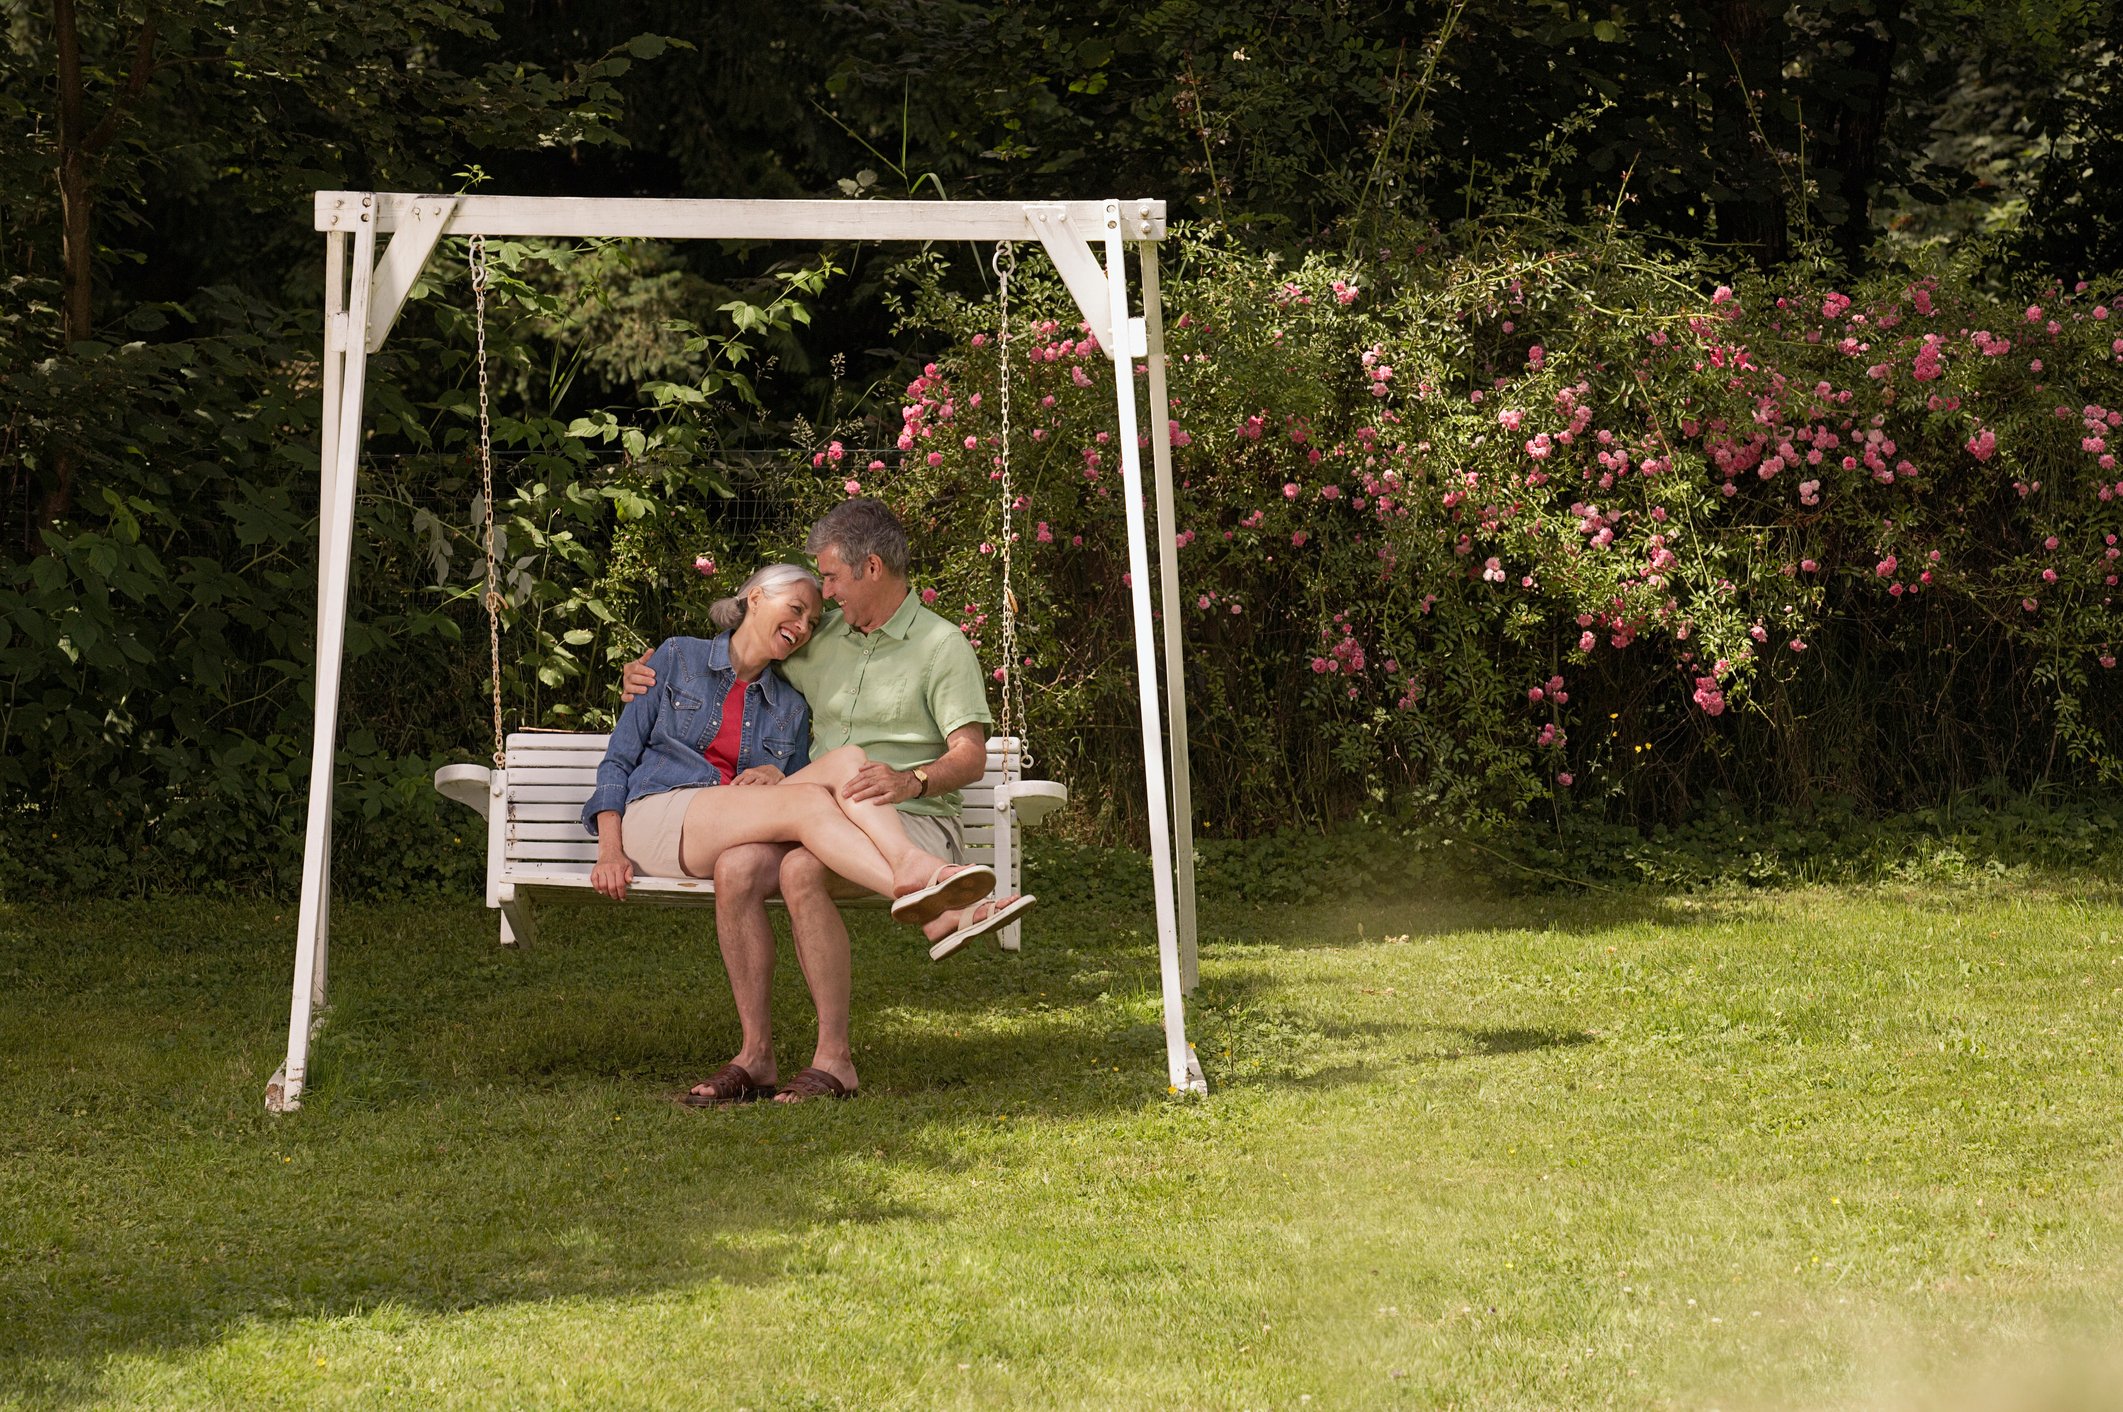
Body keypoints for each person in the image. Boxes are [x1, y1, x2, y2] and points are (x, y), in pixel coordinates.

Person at [621, 500, 1033, 1105]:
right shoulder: (822, 635)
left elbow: (970, 755)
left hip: (909, 816)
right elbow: (743, 653)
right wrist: (645, 673)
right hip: (820, 809)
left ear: (871, 568)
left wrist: (911, 781)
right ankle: (755, 1055)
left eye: (833, 577)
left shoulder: (942, 646)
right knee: (738, 867)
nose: (826, 593)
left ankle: (833, 1059)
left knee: (802, 868)